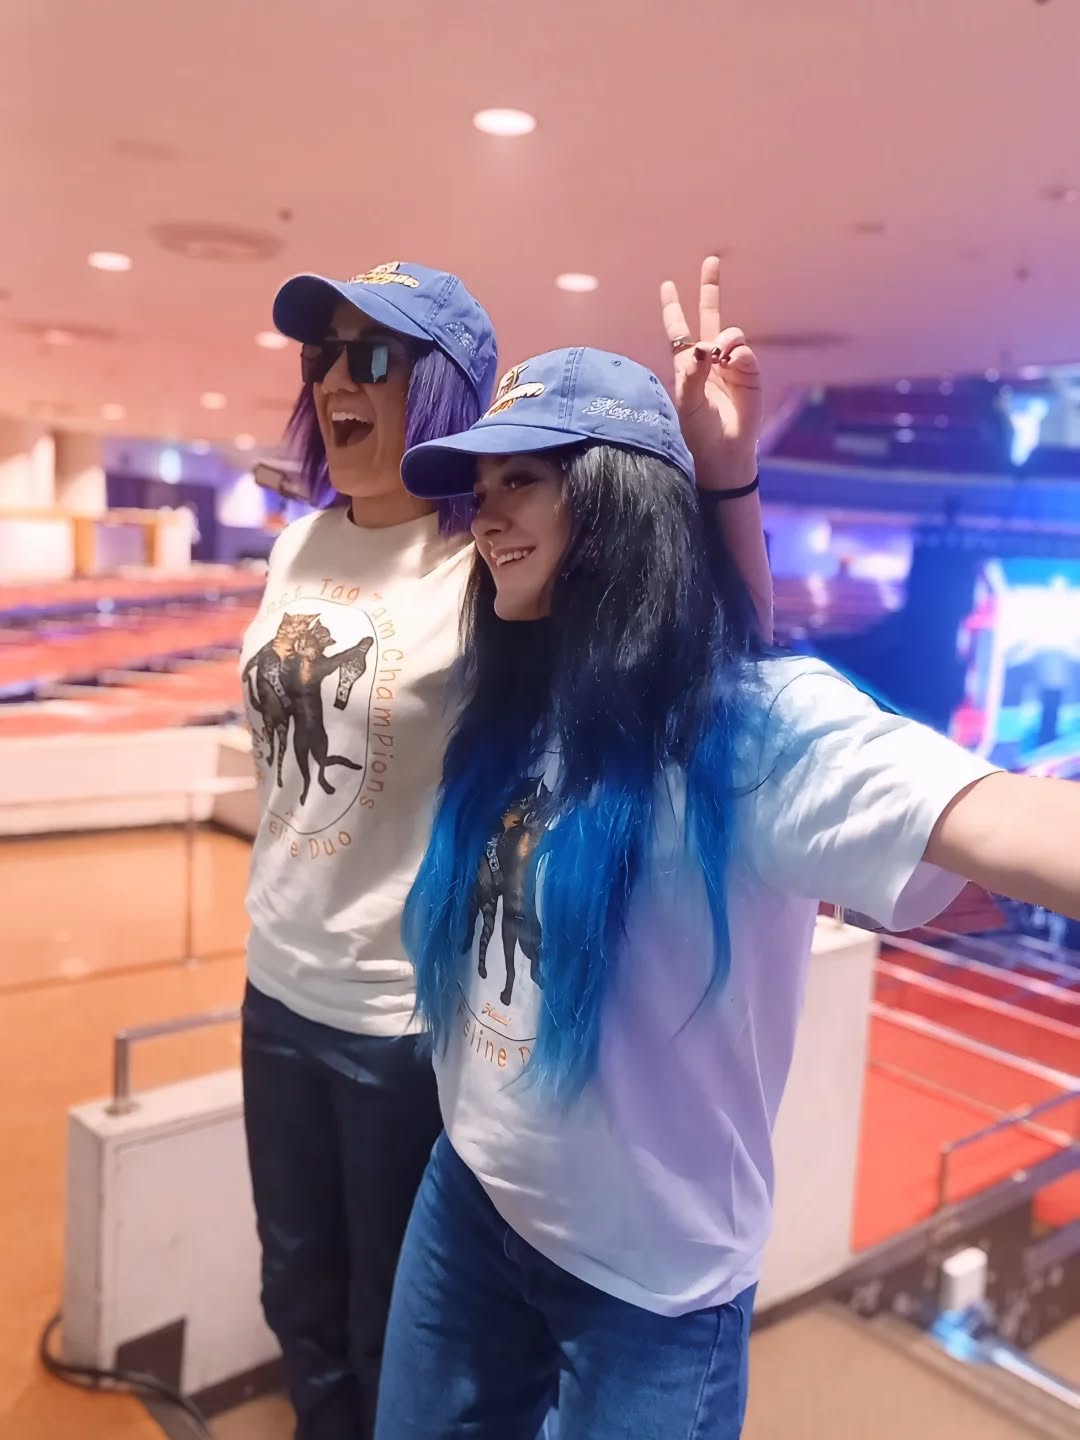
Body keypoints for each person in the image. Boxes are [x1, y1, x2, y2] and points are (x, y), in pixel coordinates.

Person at [375, 344, 1080, 1440]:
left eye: (522, 480)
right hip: (468, 1198)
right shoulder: (516, 687)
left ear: (614, 502)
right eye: (480, 486)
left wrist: (725, 474)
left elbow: (1015, 822)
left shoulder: (759, 730)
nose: (486, 516)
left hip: (652, 1292)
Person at [239, 258, 772, 1440]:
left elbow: (701, 652)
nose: (336, 379)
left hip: (396, 1013)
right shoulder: (297, 549)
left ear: (437, 388)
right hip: (275, 982)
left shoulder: (483, 561)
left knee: (391, 1334)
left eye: (374, 356)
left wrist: (725, 478)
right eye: (323, 356)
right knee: (295, 1297)